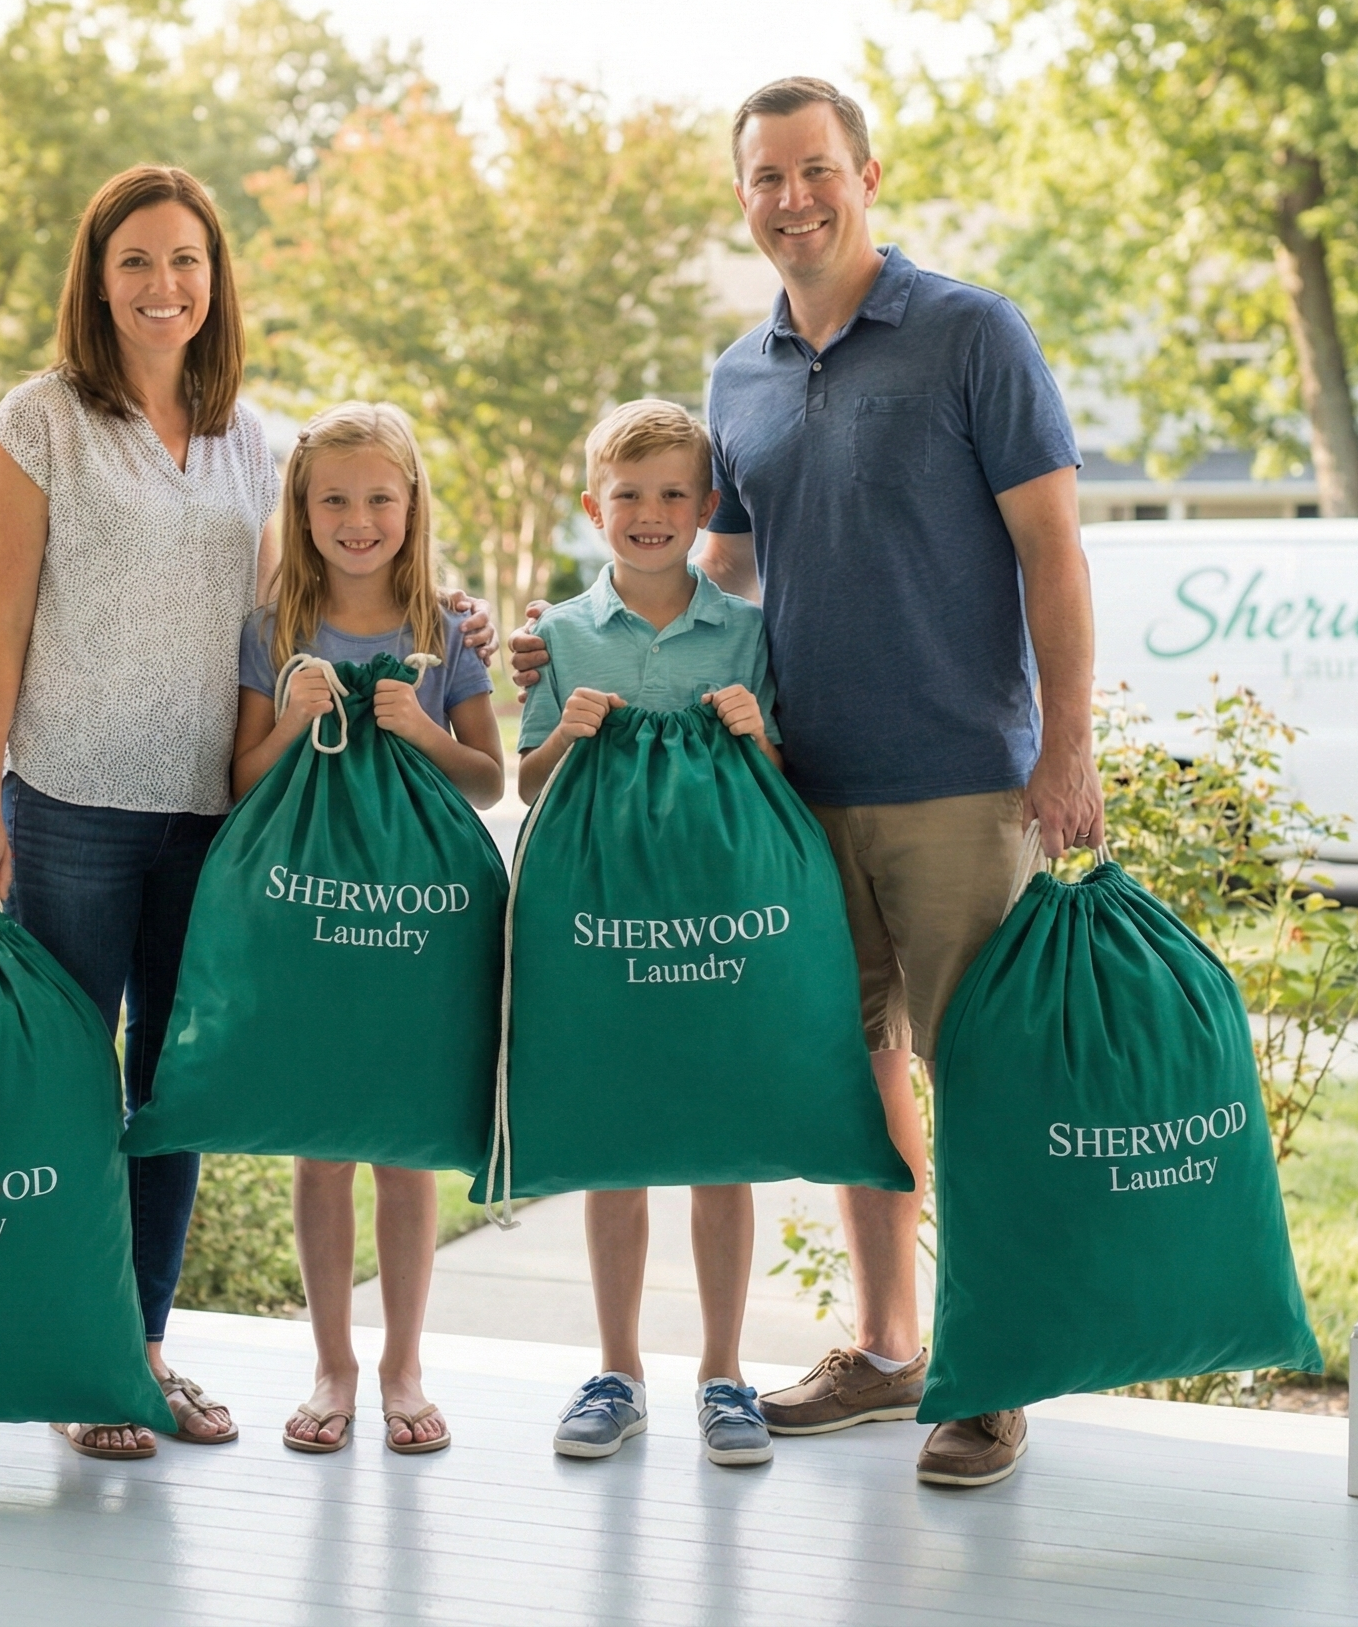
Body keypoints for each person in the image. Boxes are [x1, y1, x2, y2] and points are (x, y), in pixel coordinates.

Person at [512, 79, 1103, 1489]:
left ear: (867, 174)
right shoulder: (738, 377)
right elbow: (708, 573)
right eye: (767, 178)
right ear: (744, 198)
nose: (794, 198)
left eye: (816, 169)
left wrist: (1063, 747)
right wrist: (578, 628)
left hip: (960, 776)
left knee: (979, 1074)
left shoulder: (972, 333)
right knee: (851, 1074)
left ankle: (993, 1370)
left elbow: (1053, 552)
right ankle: (890, 1349)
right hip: (787, 794)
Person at [0, 165, 491, 1461]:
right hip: (70, 801)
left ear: (215, 279)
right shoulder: (38, 425)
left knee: (168, 1093)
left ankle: (138, 1353)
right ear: (97, 275)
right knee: (78, 1090)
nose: (162, 284)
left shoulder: (261, 438)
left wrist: (449, 619)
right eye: (135, 259)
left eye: (186, 259)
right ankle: (77, 1358)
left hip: (220, 814)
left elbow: (354, 547)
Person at [231, 401, 504, 1456]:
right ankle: (330, 1363)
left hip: (418, 922)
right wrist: (295, 719)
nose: (357, 519)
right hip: (306, 918)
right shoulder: (271, 634)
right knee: (318, 1146)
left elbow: (487, 781)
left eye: (377, 498)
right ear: (300, 511)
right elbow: (242, 782)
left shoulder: (441, 633)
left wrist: (426, 730)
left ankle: (402, 1364)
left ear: (411, 504)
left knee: (401, 1150)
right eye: (333, 499)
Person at [521, 399, 784, 1471]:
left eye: (674, 492)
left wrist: (756, 733)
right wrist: (565, 738)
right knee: (616, 1145)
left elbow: (776, 789)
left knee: (721, 1146)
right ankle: (615, 1369)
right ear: (594, 507)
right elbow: (530, 784)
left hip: (717, 921)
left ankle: (723, 1373)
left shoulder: (748, 631)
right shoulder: (563, 633)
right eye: (627, 494)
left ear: (706, 505)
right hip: (602, 925)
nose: (650, 512)